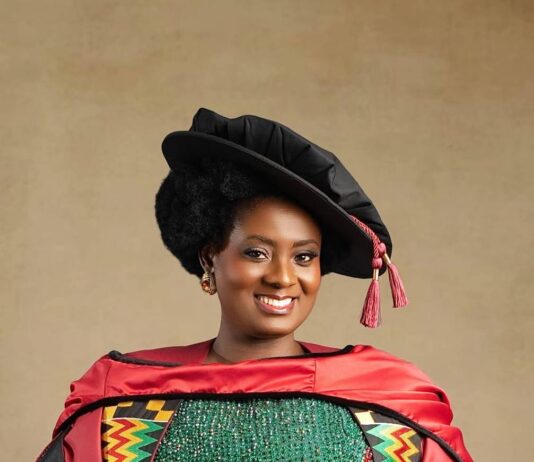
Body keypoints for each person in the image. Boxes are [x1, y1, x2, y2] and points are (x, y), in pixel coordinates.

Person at [37, 108, 473, 462]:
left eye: (304, 257)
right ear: (210, 258)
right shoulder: (123, 406)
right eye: (257, 253)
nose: (282, 277)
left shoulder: (386, 407)